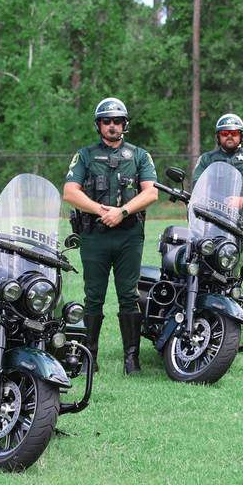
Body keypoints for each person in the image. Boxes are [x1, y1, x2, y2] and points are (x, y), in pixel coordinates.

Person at [63, 97, 159, 374]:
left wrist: (123, 212)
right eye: (107, 121)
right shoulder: (85, 155)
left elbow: (151, 192)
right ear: (99, 125)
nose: (112, 126)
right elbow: (70, 191)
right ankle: (89, 358)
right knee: (93, 296)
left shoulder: (140, 155)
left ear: (124, 124)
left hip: (129, 235)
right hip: (95, 235)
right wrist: (100, 210)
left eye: (117, 121)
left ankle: (132, 359)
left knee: (129, 295)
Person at [193, 113, 243, 340]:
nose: (230, 137)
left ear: (242, 136)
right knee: (210, 273)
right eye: (225, 133)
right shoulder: (207, 159)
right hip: (214, 227)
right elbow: (197, 187)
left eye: (234, 133)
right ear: (218, 137)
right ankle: (207, 320)